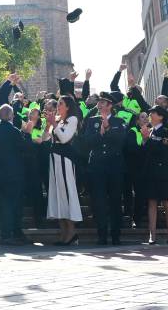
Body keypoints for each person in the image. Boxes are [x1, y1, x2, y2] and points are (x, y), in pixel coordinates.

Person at [80, 92, 127, 245]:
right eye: (99, 102)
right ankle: (101, 235)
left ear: (110, 105)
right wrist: (100, 134)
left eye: (103, 102)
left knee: (115, 200)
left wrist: (108, 129)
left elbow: (121, 140)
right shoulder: (91, 121)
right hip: (97, 166)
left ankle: (115, 235)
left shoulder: (119, 121)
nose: (99, 105)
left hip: (114, 166)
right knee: (98, 201)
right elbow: (86, 142)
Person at [42, 96, 83, 246]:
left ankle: (72, 233)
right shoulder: (57, 120)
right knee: (57, 195)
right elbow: (44, 138)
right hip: (54, 160)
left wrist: (54, 124)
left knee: (66, 194)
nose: (57, 106)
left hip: (65, 160)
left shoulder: (72, 119)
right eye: (57, 103)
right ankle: (64, 233)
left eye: (60, 104)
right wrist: (48, 126)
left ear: (68, 106)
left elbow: (65, 138)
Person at [0, 104, 28, 246]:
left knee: (7, 204)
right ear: (11, 115)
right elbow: (25, 148)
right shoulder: (14, 131)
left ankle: (13, 233)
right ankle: (10, 234)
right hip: (13, 173)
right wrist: (27, 134)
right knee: (12, 205)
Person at [141, 106, 168, 245]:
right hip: (151, 170)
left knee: (167, 202)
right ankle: (152, 235)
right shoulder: (149, 131)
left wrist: (147, 140)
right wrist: (145, 139)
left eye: (153, 113)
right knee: (152, 202)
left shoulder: (166, 131)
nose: (150, 115)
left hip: (164, 171)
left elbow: (163, 149)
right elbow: (146, 150)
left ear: (161, 116)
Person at [123, 112, 148, 229]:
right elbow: (131, 148)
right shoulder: (132, 131)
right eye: (142, 117)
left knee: (141, 194)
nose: (146, 119)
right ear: (137, 121)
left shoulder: (151, 131)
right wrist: (143, 143)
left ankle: (137, 218)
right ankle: (128, 215)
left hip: (144, 167)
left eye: (147, 117)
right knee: (128, 193)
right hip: (132, 167)